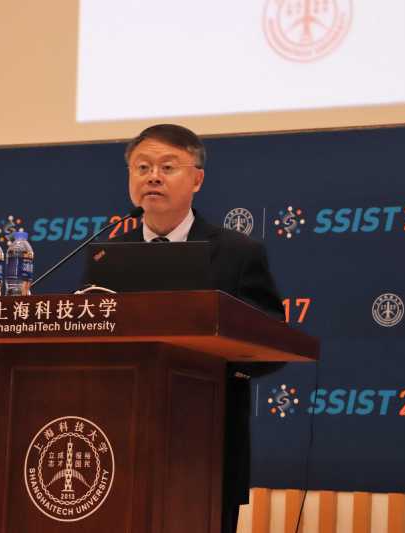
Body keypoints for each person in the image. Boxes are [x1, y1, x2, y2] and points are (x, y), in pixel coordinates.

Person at [114, 124, 284, 533]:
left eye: (167, 166)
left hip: (208, 443)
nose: (153, 176)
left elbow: (272, 338)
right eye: (142, 167)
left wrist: (218, 367)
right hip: (120, 442)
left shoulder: (237, 253)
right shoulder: (108, 254)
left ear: (197, 179)